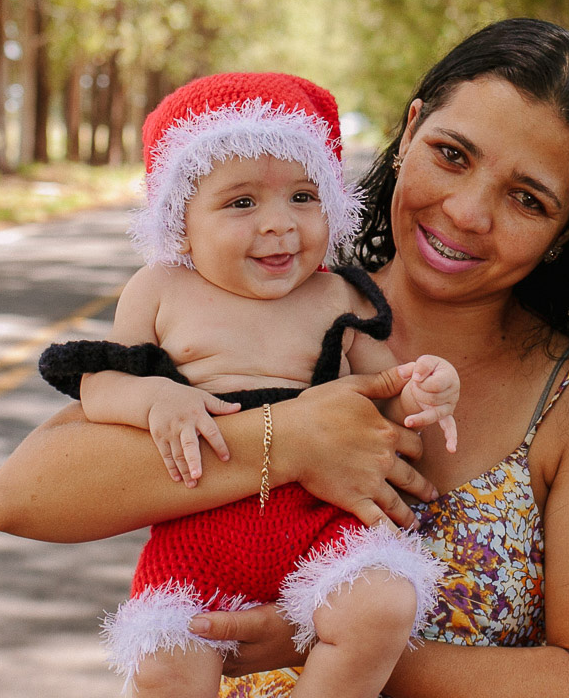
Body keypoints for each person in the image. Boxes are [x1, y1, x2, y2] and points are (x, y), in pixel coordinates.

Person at [0, 17, 569, 697]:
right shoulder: (277, 301)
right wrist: (291, 441)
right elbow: (23, 499)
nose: (467, 212)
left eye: (527, 199)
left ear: (568, 227)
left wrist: (330, 642)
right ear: (410, 131)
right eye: (452, 155)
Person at [32, 72, 459, 698]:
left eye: (303, 197)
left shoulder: (335, 294)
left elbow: (385, 390)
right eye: (241, 203)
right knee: (167, 664)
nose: (280, 224)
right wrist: (157, 398)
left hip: (318, 523)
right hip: (198, 533)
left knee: (383, 604)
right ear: (181, 221)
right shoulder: (159, 290)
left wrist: (424, 389)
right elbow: (101, 386)